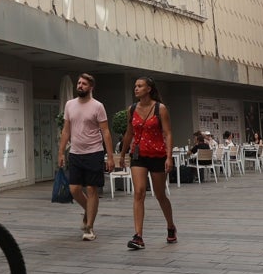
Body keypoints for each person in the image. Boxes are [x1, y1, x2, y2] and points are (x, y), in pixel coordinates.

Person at [118, 77, 176, 249]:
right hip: (138, 155)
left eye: (140, 86)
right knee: (139, 192)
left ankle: (171, 226)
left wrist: (169, 156)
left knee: (160, 195)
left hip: (157, 155)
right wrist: (121, 154)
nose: (136, 89)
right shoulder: (132, 109)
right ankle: (138, 236)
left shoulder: (160, 108)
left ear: (149, 89)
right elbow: (129, 133)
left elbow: (168, 133)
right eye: (135, 86)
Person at [56, 73, 114, 241]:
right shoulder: (69, 105)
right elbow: (66, 130)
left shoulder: (98, 106)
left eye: (84, 84)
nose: (80, 85)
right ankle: (89, 210)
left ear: (91, 87)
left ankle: (89, 227)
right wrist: (61, 152)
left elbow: (106, 132)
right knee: (74, 189)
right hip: (75, 153)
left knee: (91, 189)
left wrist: (110, 157)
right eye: (79, 83)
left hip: (94, 152)